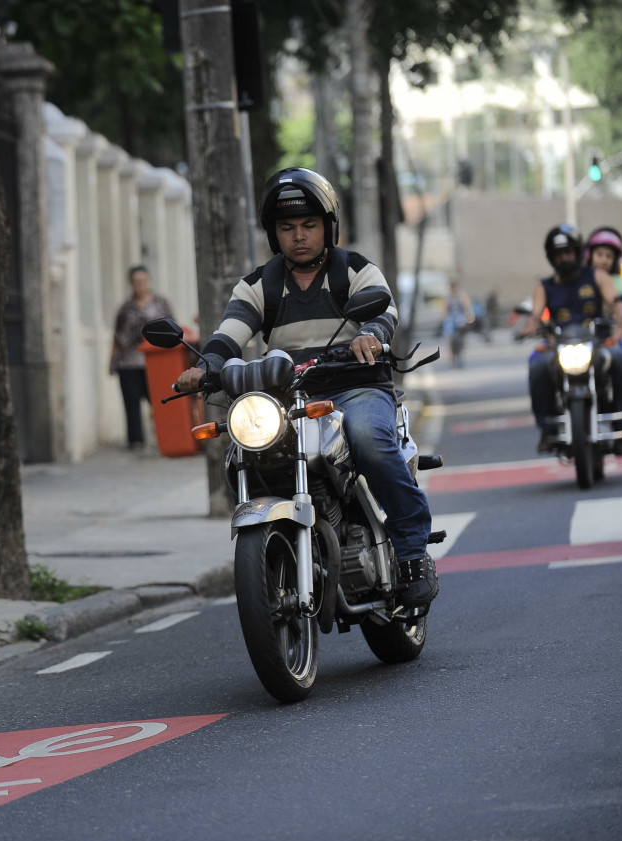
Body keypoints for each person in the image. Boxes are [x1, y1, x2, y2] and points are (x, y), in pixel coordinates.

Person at [174, 167, 437, 608]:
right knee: (247, 452)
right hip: (290, 397)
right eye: (287, 227)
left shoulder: (354, 269)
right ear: (273, 234)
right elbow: (228, 333)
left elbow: (384, 312)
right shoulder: (259, 285)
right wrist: (206, 365)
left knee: (368, 440)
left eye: (309, 225)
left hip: (356, 388)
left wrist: (371, 334)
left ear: (327, 227)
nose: (298, 236)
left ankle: (412, 551)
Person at [520, 224, 622, 455]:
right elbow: (534, 315)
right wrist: (530, 326)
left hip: (598, 344)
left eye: (568, 252)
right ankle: (547, 428)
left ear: (578, 252)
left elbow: (616, 301)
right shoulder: (544, 287)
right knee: (536, 365)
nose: (564, 257)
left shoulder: (598, 276)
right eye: (558, 254)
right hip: (559, 346)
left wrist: (620, 323)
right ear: (552, 257)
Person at [110, 265, 174, 451]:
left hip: (156, 361)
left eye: (142, 281)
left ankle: (167, 437)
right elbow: (117, 337)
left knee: (160, 401)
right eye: (135, 282)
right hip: (128, 361)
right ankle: (135, 440)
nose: (139, 285)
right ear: (131, 284)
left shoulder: (161, 304)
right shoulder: (125, 308)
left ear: (148, 281)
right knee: (131, 403)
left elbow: (172, 330)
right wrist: (111, 361)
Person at [586, 226, 622, 384]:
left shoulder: (618, 282)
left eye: (609, 256)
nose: (604, 260)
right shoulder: (581, 278)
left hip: (605, 337)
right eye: (599, 254)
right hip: (578, 338)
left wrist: (615, 338)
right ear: (589, 255)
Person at [442, 279, 475, 367]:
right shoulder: (448, 297)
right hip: (451, 317)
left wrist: (470, 315)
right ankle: (451, 354)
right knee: (449, 333)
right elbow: (445, 309)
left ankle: (463, 343)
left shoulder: (462, 295)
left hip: (460, 316)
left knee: (462, 327)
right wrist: (445, 317)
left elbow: (467, 306)